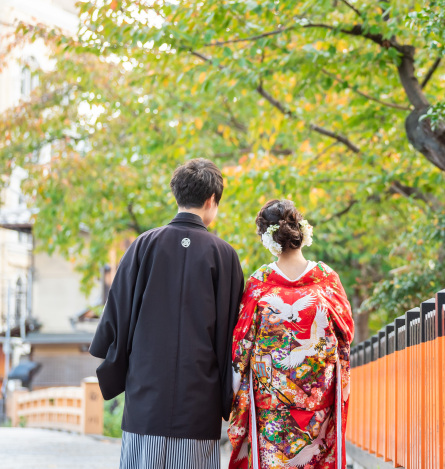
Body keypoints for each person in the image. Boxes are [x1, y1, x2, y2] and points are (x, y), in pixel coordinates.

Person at [90, 158, 245, 469]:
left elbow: (116, 315)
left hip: (146, 393)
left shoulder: (143, 245)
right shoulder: (224, 255)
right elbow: (234, 333)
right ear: (211, 200)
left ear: (177, 195)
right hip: (199, 398)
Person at [228, 199, 354, 469]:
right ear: (301, 231)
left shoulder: (259, 284)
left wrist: (232, 391)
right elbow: (345, 335)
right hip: (317, 401)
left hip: (272, 406)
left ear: (266, 238)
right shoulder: (327, 279)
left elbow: (242, 344)